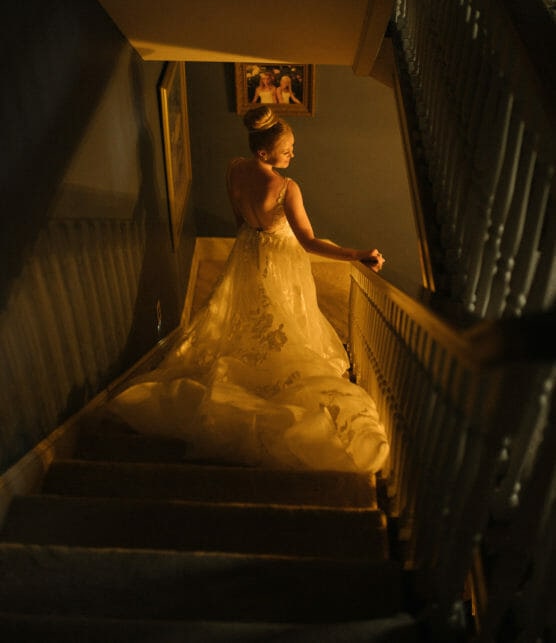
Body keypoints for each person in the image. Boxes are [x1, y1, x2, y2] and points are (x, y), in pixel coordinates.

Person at [106, 106, 389, 474]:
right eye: (287, 150)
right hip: (283, 256)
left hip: (247, 248)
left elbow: (241, 221)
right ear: (264, 153)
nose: (292, 155)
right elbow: (308, 242)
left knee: (248, 313)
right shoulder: (286, 188)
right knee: (284, 317)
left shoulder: (234, 169)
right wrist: (357, 254)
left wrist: (255, 239)